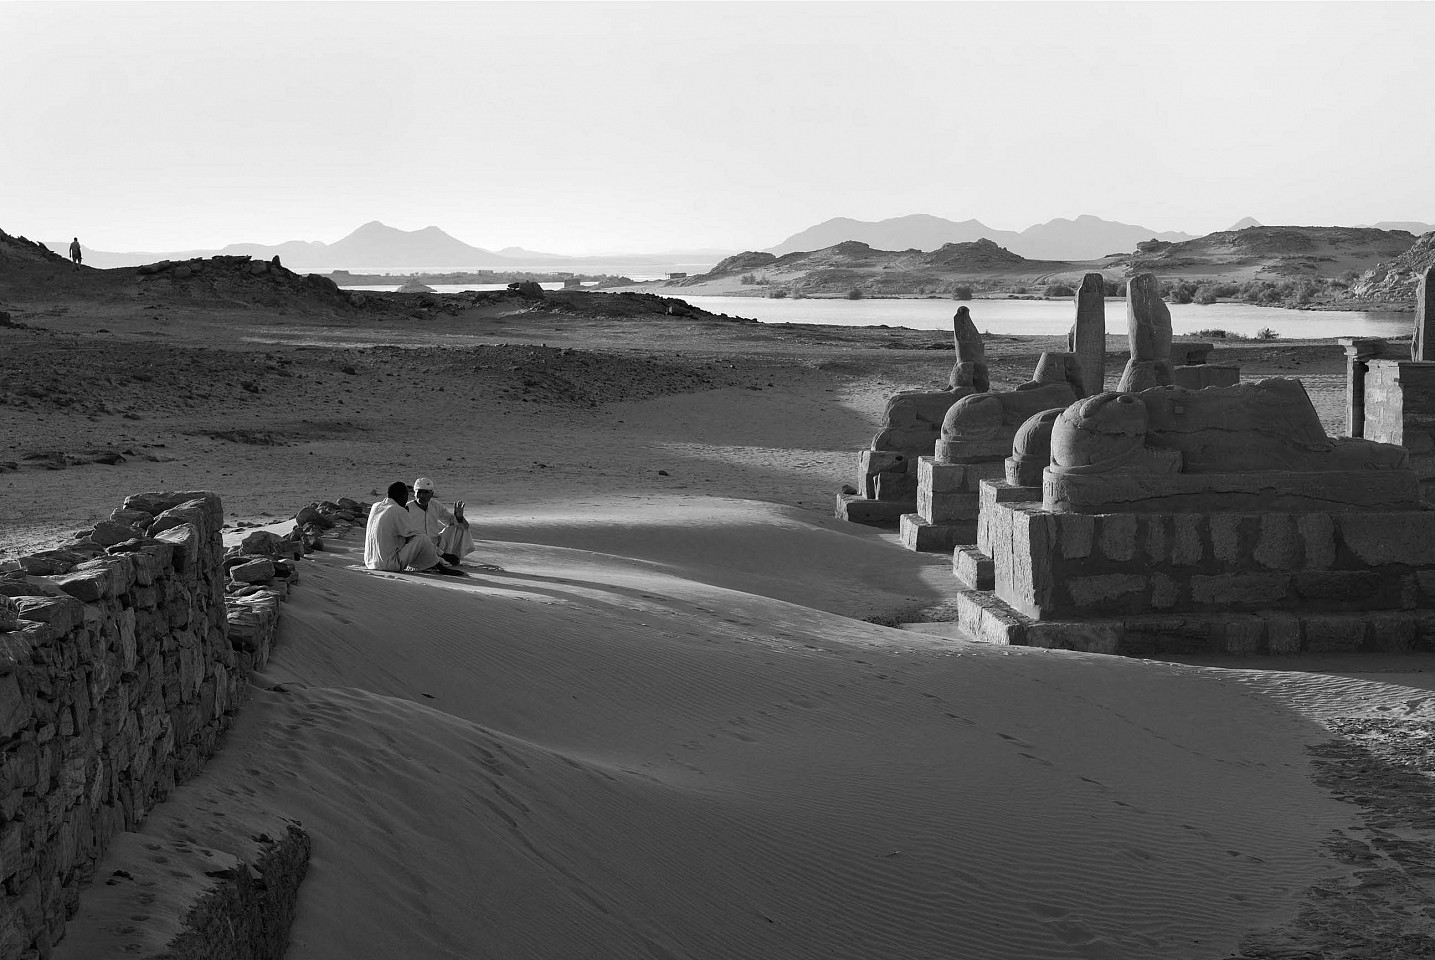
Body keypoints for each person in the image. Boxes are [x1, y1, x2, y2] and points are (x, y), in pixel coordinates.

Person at [364, 481, 463, 575]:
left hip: (370, 563)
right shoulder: (398, 510)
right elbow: (418, 537)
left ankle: (432, 563)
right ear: (403, 496)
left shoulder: (375, 506)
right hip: (388, 565)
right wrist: (443, 555)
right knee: (422, 538)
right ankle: (441, 568)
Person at [407, 477, 501, 570]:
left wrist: (459, 517)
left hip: (436, 545)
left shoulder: (435, 506)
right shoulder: (407, 508)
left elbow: (452, 522)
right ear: (414, 493)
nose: (422, 496)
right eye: (419, 492)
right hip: (418, 548)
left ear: (432, 494)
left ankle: (452, 557)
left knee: (458, 528)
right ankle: (440, 560)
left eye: (425, 492)